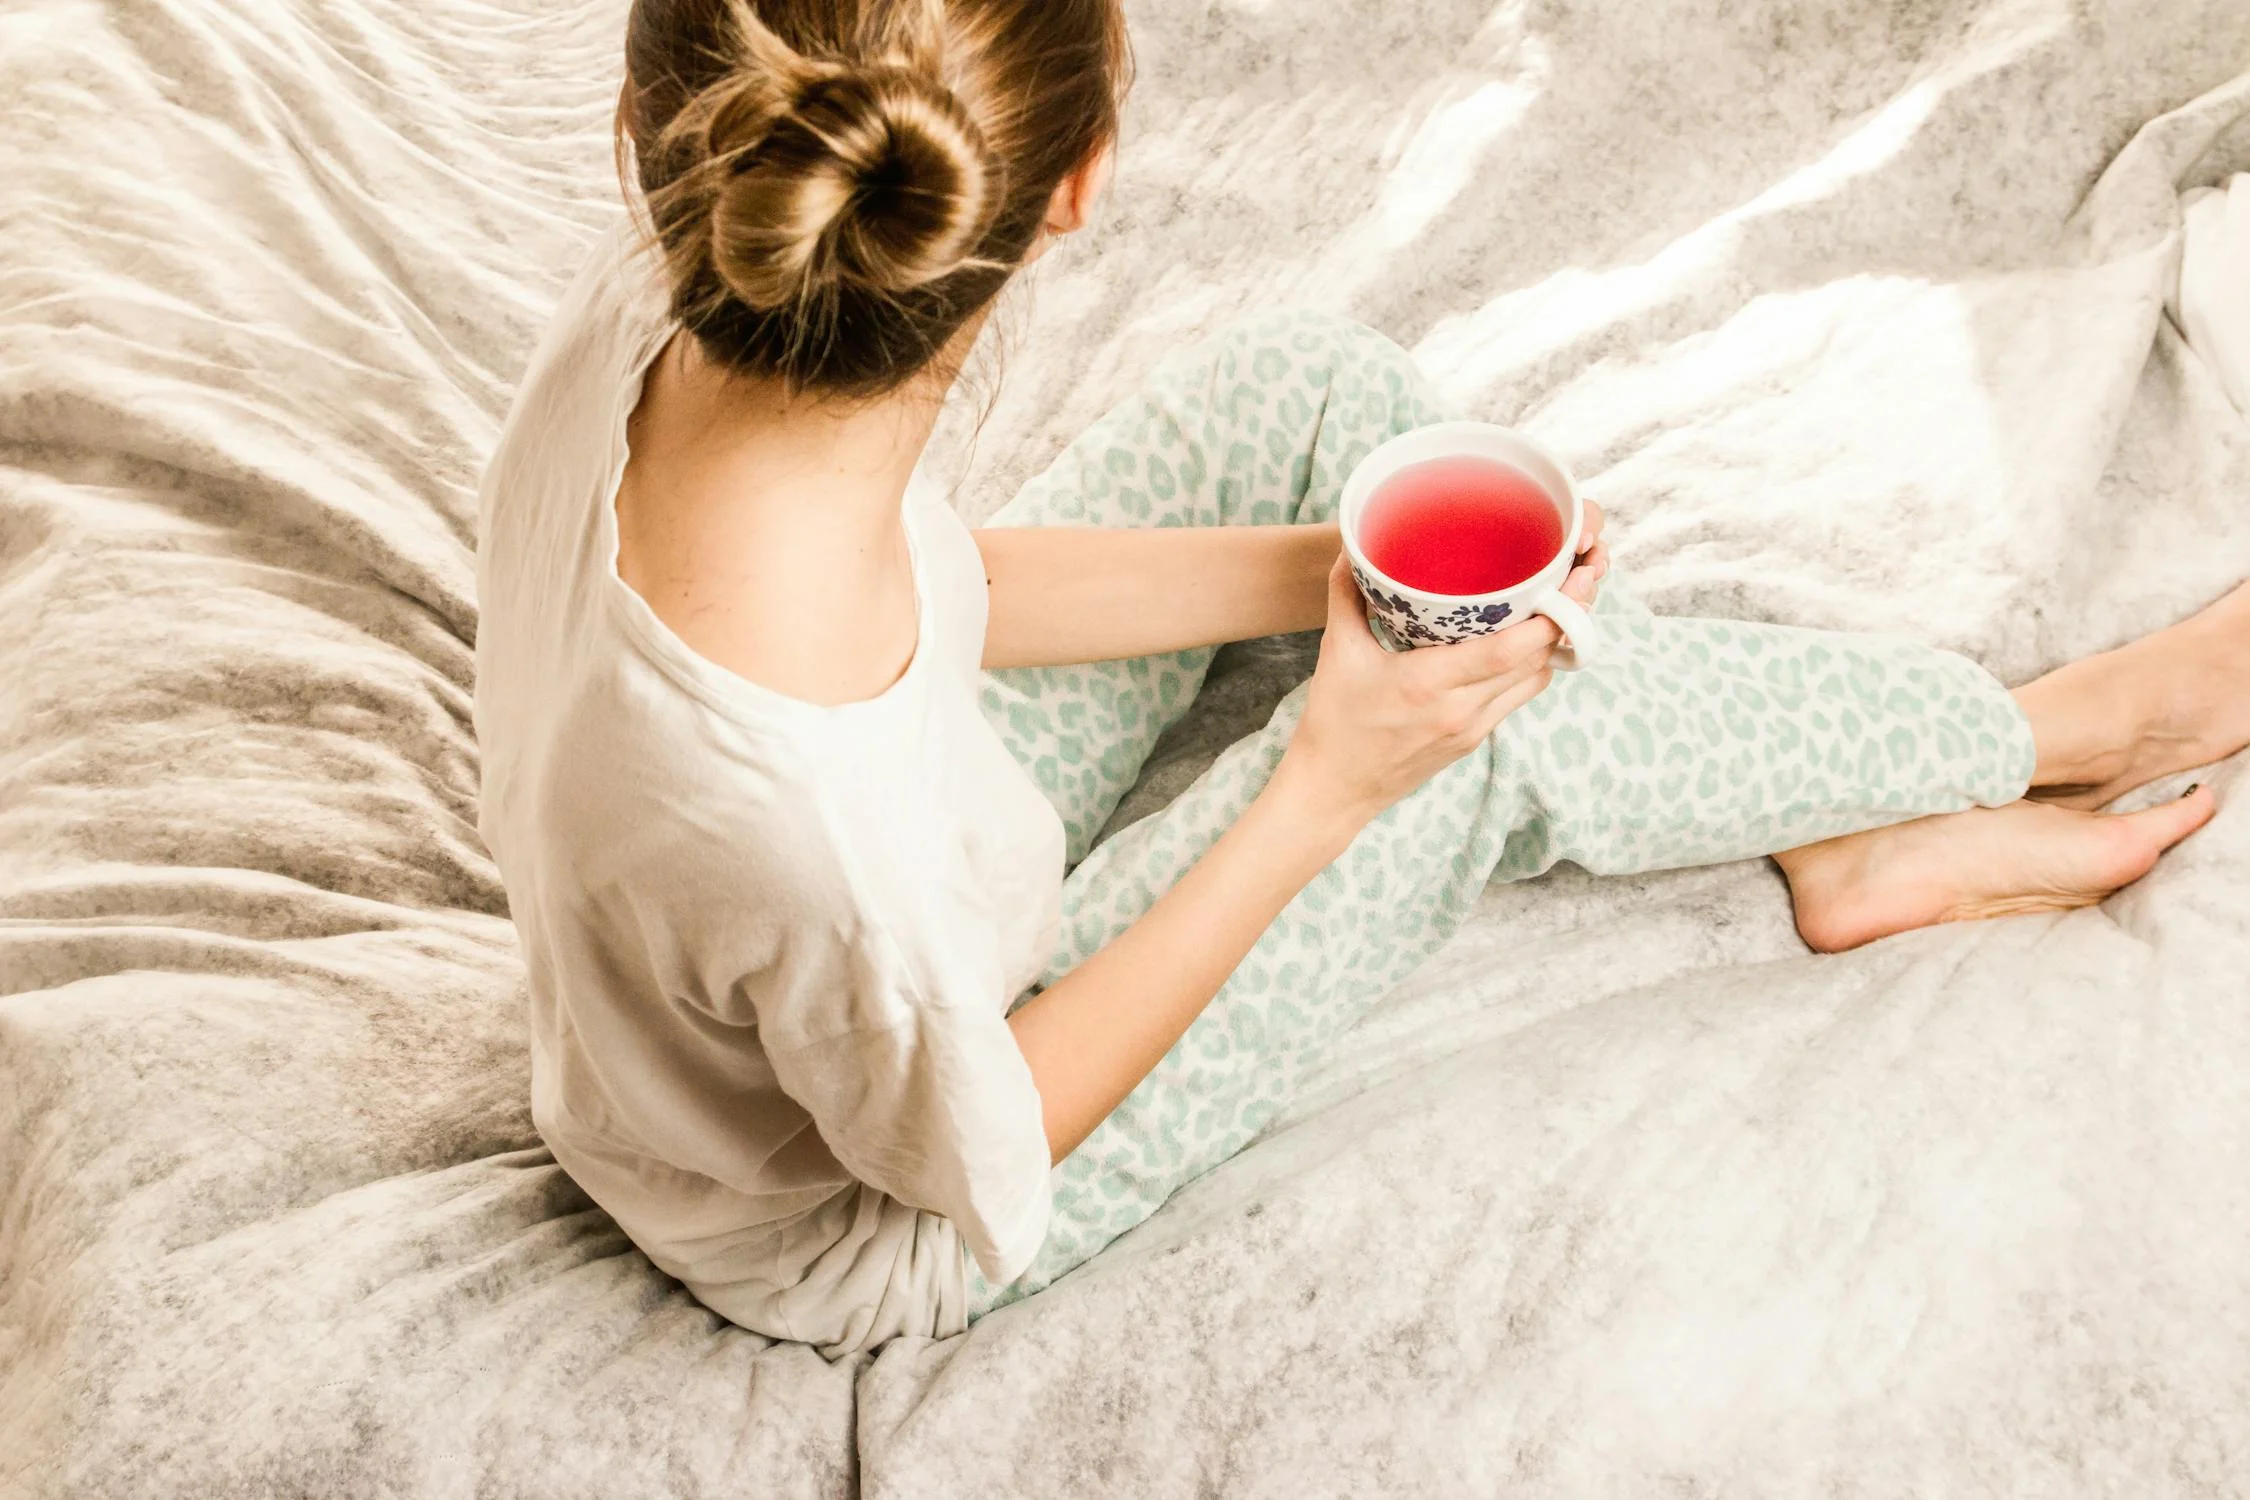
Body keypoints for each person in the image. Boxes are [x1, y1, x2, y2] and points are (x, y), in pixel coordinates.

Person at [472, 0, 2246, 1356]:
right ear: (1081, 184)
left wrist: (1325, 577)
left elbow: (936, 590)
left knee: (1312, 398)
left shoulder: (670, 298)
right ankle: (2046, 734)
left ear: (647, 126)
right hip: (879, 1210)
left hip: (891, 842)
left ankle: (1825, 813)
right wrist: (1335, 772)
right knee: (1465, 743)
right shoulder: (803, 839)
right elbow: (975, 1141)